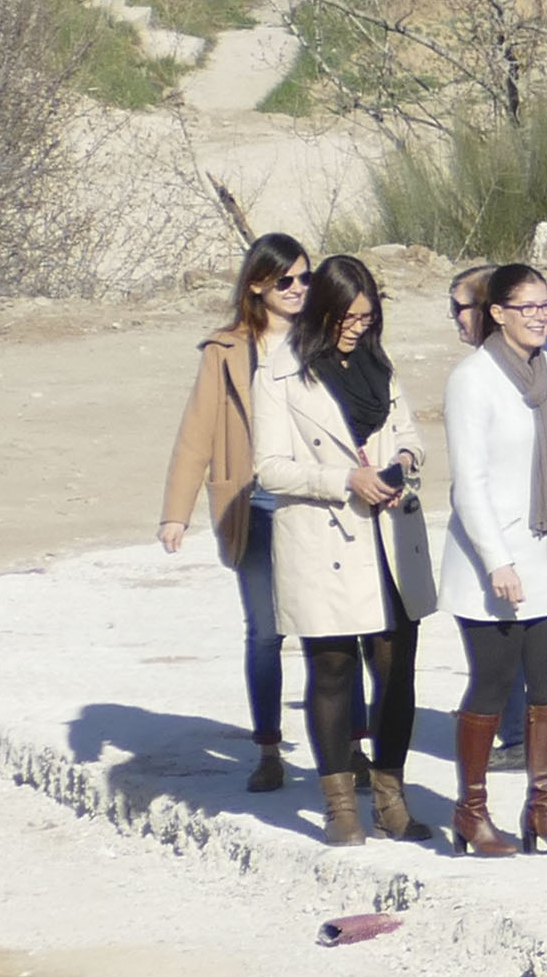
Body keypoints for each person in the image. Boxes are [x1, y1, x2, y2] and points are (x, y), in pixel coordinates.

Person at [253, 254, 432, 850]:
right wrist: (343, 481)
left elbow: (408, 432)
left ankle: (390, 801)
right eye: (349, 317)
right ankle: (339, 810)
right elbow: (270, 470)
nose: (359, 326)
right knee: (330, 670)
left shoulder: (381, 365)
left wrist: (404, 461)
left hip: (387, 537)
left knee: (396, 671)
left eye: (368, 316)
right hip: (322, 536)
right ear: (324, 312)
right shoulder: (280, 374)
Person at [445, 258, 547, 858]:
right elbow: (470, 483)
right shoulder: (472, 379)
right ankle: (472, 813)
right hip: (498, 561)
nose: (539, 318)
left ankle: (543, 811)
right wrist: (497, 561)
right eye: (527, 308)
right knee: (491, 687)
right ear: (498, 314)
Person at [159, 232, 312, 790]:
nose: (298, 289)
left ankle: (345, 752)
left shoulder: (322, 340)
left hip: (315, 501)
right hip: (254, 505)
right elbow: (196, 433)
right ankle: (269, 750)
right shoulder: (225, 351)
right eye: (285, 280)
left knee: (329, 632)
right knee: (266, 632)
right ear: (257, 285)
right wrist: (175, 513)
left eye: (304, 278)